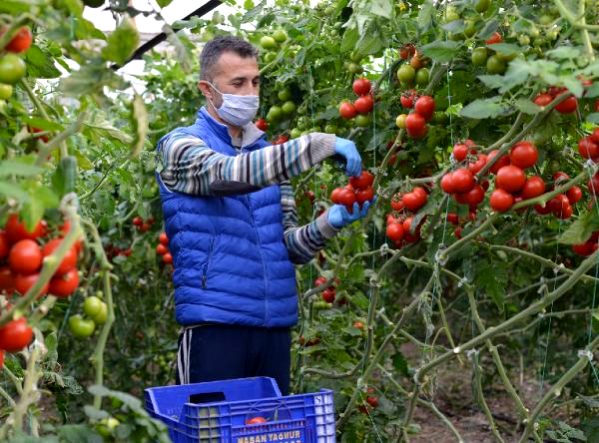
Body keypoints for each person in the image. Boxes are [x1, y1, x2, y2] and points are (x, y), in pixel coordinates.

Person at [155, 35, 374, 395]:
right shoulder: (180, 146)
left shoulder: (270, 159)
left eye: (255, 81)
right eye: (237, 83)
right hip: (215, 326)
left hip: (273, 328)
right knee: (210, 432)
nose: (250, 92)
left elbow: (289, 248)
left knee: (268, 433)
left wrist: (328, 223)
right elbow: (226, 174)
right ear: (207, 90)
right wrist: (317, 143)